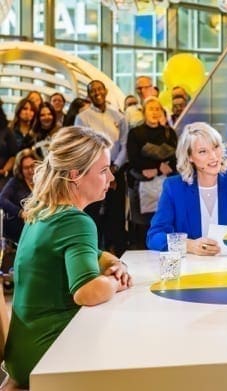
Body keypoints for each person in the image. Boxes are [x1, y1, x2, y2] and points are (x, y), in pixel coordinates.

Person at [3, 126, 132, 389]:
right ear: (75, 175)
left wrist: (113, 262)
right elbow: (87, 292)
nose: (110, 178)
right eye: (103, 170)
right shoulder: (76, 221)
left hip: (23, 354)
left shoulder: (43, 212)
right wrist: (115, 283)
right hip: (50, 354)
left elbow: (90, 253)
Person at [147, 122, 227, 255]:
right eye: (202, 151)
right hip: (191, 271)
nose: (213, 156)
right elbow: (154, 237)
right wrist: (189, 245)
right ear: (190, 157)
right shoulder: (174, 187)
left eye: (215, 147)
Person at [75, 80, 129, 256]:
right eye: (93, 90)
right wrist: (101, 170)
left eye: (100, 89)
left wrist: (114, 168)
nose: (97, 92)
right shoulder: (83, 117)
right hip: (92, 174)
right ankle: (95, 253)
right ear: (88, 95)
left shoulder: (119, 117)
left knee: (116, 215)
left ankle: (117, 254)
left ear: (105, 91)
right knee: (94, 214)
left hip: (116, 172)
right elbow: (82, 146)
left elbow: (124, 144)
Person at [127, 97, 177, 248]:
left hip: (166, 184)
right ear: (144, 112)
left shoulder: (170, 133)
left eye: (158, 109)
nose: (155, 112)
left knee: (165, 220)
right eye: (151, 109)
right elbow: (133, 158)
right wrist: (157, 166)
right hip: (142, 184)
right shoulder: (135, 133)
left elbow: (176, 158)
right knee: (143, 225)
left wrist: (163, 168)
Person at [0, 149, 39, 243]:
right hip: (19, 230)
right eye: (26, 168)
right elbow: (1, 199)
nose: (30, 170)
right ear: (20, 169)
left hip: (37, 225)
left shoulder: (41, 180)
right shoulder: (15, 182)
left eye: (32, 166)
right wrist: (20, 213)